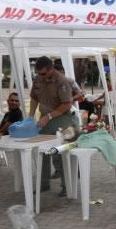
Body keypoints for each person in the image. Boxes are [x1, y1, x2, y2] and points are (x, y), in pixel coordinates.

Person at [29, 56, 77, 197]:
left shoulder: (62, 81)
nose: (40, 76)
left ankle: (66, 185)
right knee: (41, 151)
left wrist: (49, 116)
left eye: (43, 73)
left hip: (61, 119)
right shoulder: (38, 79)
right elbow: (34, 97)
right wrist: (30, 116)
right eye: (38, 73)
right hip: (45, 119)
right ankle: (43, 184)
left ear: (51, 69)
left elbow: (66, 104)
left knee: (59, 152)